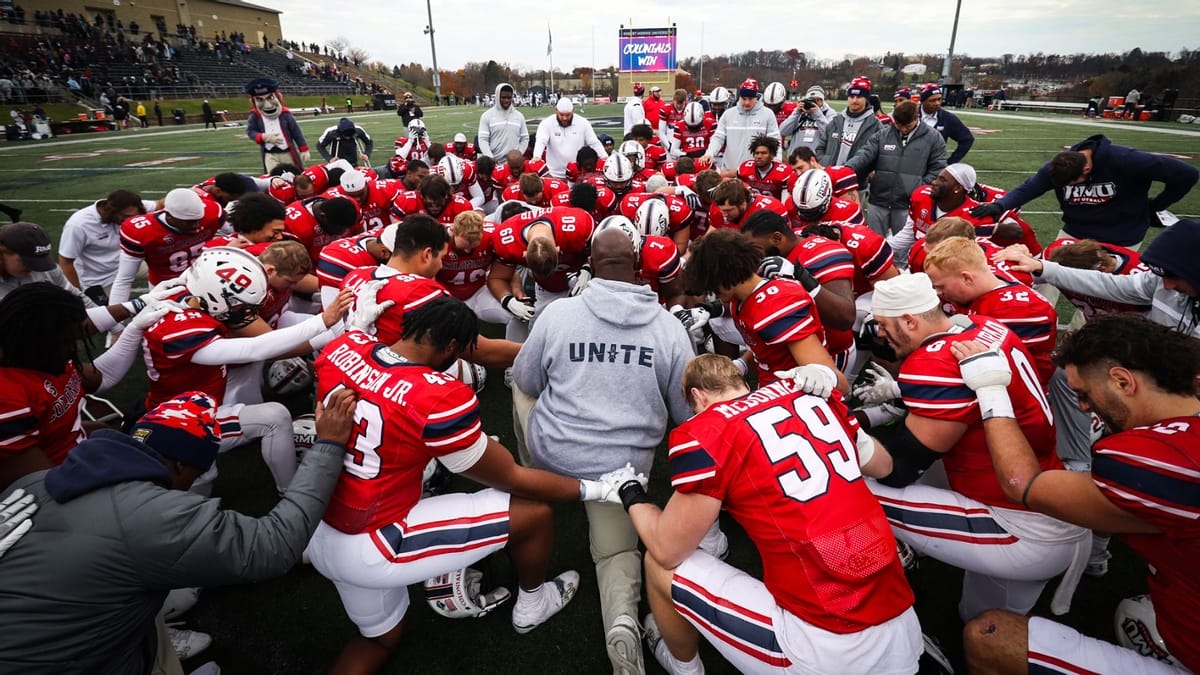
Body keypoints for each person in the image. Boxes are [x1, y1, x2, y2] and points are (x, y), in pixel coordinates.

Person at [308, 295, 622, 675]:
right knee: (534, 514)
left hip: (317, 525)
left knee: (379, 639)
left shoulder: (344, 346)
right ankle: (533, 604)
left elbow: (357, 377)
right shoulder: (437, 396)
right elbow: (514, 478)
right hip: (376, 540)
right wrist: (597, 488)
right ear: (453, 348)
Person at [0, 388, 359, 675]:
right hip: (65, 661)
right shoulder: (150, 515)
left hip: (37, 625)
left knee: (158, 593)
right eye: (195, 473)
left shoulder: (39, 482)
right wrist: (328, 446)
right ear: (180, 464)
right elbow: (272, 546)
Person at [613, 354, 922, 675]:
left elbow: (667, 548)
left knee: (658, 564)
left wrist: (631, 493)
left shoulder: (708, 430)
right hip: (901, 617)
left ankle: (684, 668)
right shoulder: (807, 394)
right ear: (742, 383)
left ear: (697, 396)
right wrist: (850, 434)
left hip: (828, 645)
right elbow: (884, 466)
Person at [953, 315, 1200, 675]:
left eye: (1084, 394)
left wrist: (990, 389)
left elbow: (1022, 483)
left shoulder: (1159, 459)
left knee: (990, 637)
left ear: (1122, 381)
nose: (1083, 407)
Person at [510, 226, 694, 674]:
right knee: (614, 554)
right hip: (622, 473)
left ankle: (528, 476)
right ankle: (623, 622)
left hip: (555, 452)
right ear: (638, 266)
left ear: (590, 263)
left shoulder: (558, 315)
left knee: (520, 388)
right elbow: (686, 415)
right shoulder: (669, 329)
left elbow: (528, 380)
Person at [858, 273, 1089, 621]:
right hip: (1052, 495)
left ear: (909, 319)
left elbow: (897, 467)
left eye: (884, 325)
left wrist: (843, 433)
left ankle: (895, 552)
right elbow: (957, 399)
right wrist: (893, 397)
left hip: (1019, 527)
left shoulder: (932, 364)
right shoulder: (984, 328)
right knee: (979, 613)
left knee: (853, 485)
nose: (880, 334)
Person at [680, 228, 848, 393]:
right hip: (771, 384)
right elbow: (768, 350)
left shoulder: (777, 306)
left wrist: (812, 380)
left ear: (724, 278)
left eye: (712, 286)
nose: (713, 293)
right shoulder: (740, 299)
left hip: (796, 393)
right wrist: (742, 364)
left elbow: (836, 382)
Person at [970, 134, 1198, 249]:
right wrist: (1000, 205)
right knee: (1045, 274)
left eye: (1072, 184)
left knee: (1107, 294)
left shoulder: (1127, 160)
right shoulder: (1061, 166)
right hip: (1076, 232)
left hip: (1121, 236)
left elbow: (1187, 174)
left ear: (1087, 169)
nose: (1068, 189)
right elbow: (1030, 187)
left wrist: (1156, 205)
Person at [845, 100, 948, 237]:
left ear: (917, 118)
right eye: (899, 125)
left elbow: (938, 168)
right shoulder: (883, 135)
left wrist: (918, 189)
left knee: (903, 247)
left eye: (907, 125)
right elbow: (864, 155)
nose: (903, 129)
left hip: (908, 204)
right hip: (879, 200)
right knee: (874, 241)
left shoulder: (933, 138)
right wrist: (846, 169)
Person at [58, 189, 156, 305]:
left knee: (167, 266)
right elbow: (65, 261)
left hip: (126, 262)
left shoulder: (131, 208)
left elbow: (162, 204)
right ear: (112, 212)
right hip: (99, 279)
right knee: (113, 317)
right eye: (126, 217)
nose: (130, 221)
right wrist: (77, 293)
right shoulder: (79, 224)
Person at [699, 78, 780, 171]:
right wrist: (709, 153)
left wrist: (776, 160)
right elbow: (718, 137)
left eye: (750, 99)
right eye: (744, 99)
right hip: (730, 170)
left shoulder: (767, 114)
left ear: (756, 98)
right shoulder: (728, 114)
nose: (746, 102)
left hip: (756, 172)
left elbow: (775, 139)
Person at [816, 77, 881, 175]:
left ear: (866, 98)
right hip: (829, 178)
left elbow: (877, 157)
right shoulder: (836, 121)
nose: (854, 101)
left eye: (859, 97)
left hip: (855, 184)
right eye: (851, 96)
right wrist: (825, 163)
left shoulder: (876, 126)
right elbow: (820, 148)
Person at [531, 98, 607, 179]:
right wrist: (537, 156)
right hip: (553, 174)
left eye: (568, 115)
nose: (564, 118)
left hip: (577, 175)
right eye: (561, 115)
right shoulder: (546, 123)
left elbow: (594, 143)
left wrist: (605, 157)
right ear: (556, 110)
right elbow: (541, 141)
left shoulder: (583, 123)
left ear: (573, 110)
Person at [917, 83, 974, 164]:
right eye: (932, 100)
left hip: (934, 166)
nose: (937, 103)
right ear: (923, 101)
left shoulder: (947, 118)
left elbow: (967, 139)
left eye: (939, 99)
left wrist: (950, 162)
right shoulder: (910, 115)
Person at [477, 83, 527, 160]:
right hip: (494, 162)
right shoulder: (487, 116)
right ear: (497, 97)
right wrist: (490, 158)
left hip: (514, 164)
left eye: (509, 98)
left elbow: (525, 138)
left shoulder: (519, 116)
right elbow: (483, 140)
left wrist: (518, 155)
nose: (506, 100)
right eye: (503, 97)